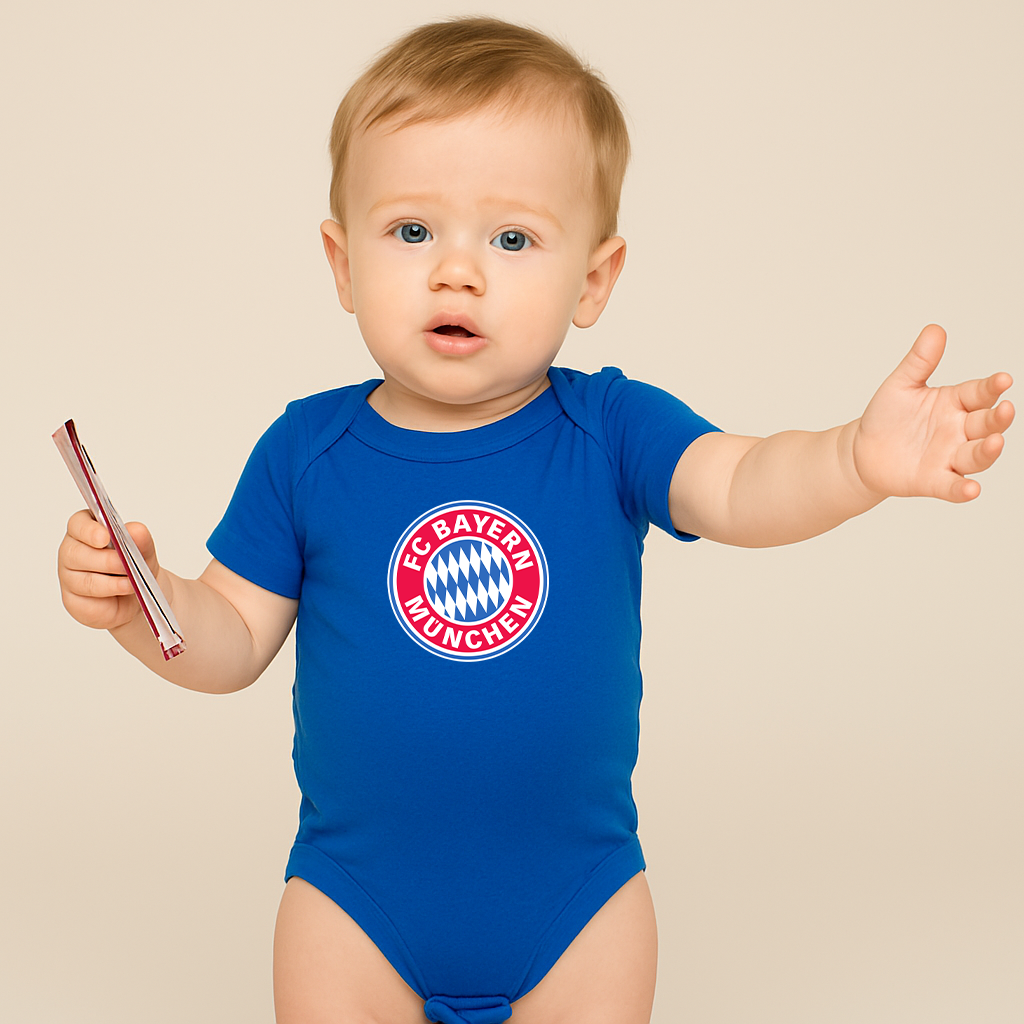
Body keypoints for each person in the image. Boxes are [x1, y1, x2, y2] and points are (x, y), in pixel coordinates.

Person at [55, 16, 1014, 1024]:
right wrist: (144, 605)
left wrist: (852, 460)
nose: (456, 271)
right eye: (412, 231)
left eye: (511, 239)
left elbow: (741, 485)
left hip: (577, 905)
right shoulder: (306, 452)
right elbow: (231, 639)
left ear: (592, 279)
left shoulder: (612, 428)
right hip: (354, 902)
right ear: (341, 262)